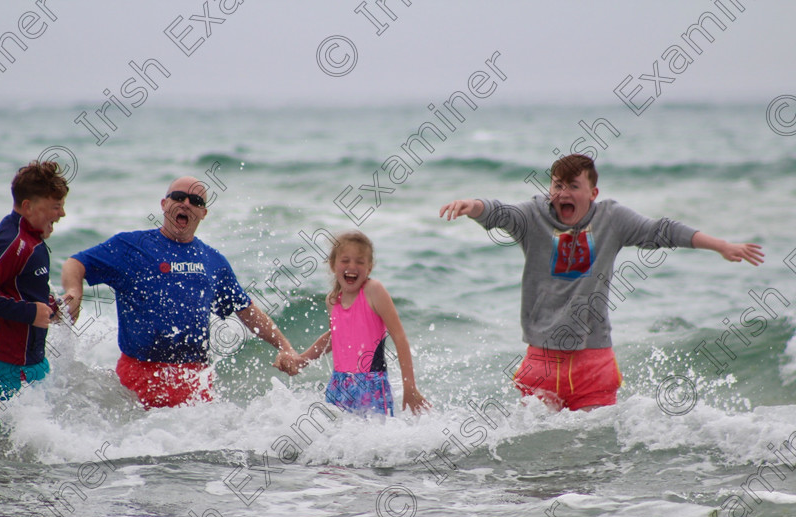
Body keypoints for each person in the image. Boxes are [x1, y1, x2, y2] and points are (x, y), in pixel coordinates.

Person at [439, 153, 764, 412]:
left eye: (572, 186)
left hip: (593, 362)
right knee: (535, 468)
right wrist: (473, 206)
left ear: (593, 193)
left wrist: (720, 245)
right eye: (557, 185)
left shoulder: (613, 219)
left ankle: (592, 501)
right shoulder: (532, 217)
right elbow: (499, 212)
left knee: (592, 469)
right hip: (543, 361)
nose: (562, 193)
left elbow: (663, 230)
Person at [61, 176, 300, 408]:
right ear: (164, 204)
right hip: (138, 376)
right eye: (178, 197)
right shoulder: (130, 246)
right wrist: (74, 291)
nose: (186, 203)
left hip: (195, 379)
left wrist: (284, 347)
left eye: (196, 201)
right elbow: (76, 262)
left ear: (203, 213)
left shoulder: (212, 260)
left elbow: (246, 310)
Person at [281, 230, 430, 416]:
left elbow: (399, 337)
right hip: (339, 384)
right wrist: (302, 360)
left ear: (369, 268)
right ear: (333, 265)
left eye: (360, 262)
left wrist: (410, 387)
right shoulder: (332, 300)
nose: (352, 266)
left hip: (372, 383)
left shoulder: (374, 291)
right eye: (345, 260)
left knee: (375, 441)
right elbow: (334, 336)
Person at [0, 160, 69, 402]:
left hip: (26, 365)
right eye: (56, 206)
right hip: (4, 366)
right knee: (23, 440)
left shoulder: (31, 238)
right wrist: (29, 313)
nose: (62, 213)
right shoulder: (13, 241)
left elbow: (19, 288)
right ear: (28, 206)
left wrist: (52, 306)